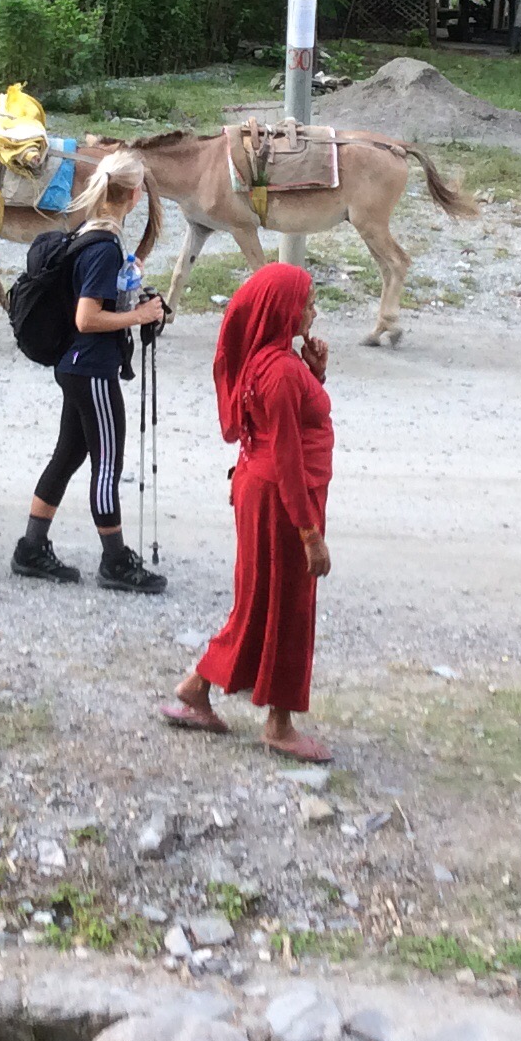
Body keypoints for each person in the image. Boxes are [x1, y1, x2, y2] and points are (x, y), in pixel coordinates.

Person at [160, 260, 335, 761]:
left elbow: (278, 426)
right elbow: (287, 458)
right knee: (288, 607)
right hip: (284, 500)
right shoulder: (280, 372)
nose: (313, 312)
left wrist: (315, 374)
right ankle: (279, 724)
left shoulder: (268, 361)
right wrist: (309, 533)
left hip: (265, 493)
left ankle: (197, 689)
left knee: (259, 601)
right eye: (307, 304)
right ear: (283, 310)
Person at [13, 151, 170, 593]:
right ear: (134, 195)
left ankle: (31, 548)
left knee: (68, 456)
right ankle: (115, 561)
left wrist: (133, 300)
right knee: (107, 465)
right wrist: (140, 317)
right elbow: (86, 318)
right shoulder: (103, 246)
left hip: (74, 366)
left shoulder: (90, 232)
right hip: (92, 370)